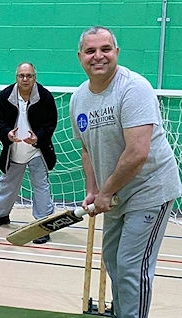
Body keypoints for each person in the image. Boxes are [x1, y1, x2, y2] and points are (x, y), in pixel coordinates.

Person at [70, 26, 182, 318]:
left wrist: (105, 192)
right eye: (91, 51)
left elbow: (137, 153)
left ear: (116, 52)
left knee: (133, 266)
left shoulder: (134, 88)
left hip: (150, 188)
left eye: (105, 49)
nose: (99, 56)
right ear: (80, 56)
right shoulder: (78, 98)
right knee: (114, 259)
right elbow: (87, 149)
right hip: (116, 193)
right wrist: (93, 190)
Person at [0, 62, 57, 244]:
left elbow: (51, 123)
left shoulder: (45, 97)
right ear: (16, 77)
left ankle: (44, 225)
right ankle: (1, 215)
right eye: (21, 75)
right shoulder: (5, 96)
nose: (25, 79)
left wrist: (38, 138)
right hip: (14, 150)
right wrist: (7, 134)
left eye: (29, 76)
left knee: (41, 187)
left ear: (35, 77)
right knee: (7, 185)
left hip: (37, 151)